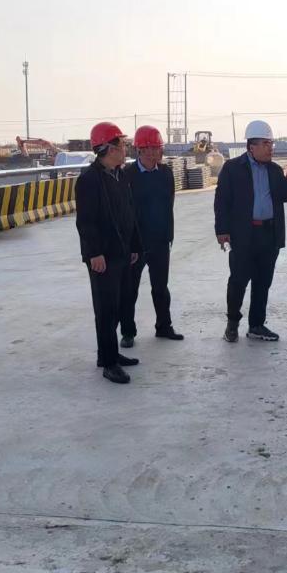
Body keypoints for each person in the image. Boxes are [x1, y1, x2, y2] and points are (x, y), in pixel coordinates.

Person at [213, 120, 287, 342]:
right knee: (238, 281)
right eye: (266, 144)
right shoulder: (233, 168)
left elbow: (285, 196)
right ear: (252, 146)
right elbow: (222, 201)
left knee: (263, 282)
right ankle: (232, 324)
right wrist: (222, 230)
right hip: (243, 235)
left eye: (271, 143)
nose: (271, 148)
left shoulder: (274, 170)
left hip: (269, 235)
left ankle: (257, 325)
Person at [75, 121, 142, 384]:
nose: (126, 149)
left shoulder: (120, 176)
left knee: (119, 305)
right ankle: (109, 363)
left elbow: (130, 214)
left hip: (122, 252)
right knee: (105, 310)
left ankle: (109, 354)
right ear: (109, 149)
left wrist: (134, 246)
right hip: (102, 256)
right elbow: (86, 222)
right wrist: (94, 253)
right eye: (122, 145)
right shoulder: (89, 180)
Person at [119, 125, 184, 346]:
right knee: (130, 290)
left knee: (161, 288)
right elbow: (124, 212)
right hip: (135, 244)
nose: (155, 153)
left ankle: (164, 326)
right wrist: (129, 244)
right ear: (140, 150)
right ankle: (128, 332)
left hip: (160, 241)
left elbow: (168, 205)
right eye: (150, 149)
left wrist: (168, 235)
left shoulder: (165, 173)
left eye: (158, 148)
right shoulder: (127, 175)